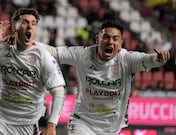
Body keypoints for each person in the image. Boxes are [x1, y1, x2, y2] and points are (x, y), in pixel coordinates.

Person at [35, 20, 170, 135]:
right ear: (98, 39)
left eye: (115, 38)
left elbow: (147, 60)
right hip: (82, 122)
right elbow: (54, 52)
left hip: (112, 128)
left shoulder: (127, 60)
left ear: (121, 43)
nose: (110, 41)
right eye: (106, 37)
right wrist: (25, 43)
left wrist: (158, 59)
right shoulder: (83, 55)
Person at [0, 8, 66, 135]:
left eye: (33, 24)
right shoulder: (1, 49)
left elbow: (58, 91)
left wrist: (52, 125)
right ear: (15, 27)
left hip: (27, 124)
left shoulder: (43, 56)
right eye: (25, 22)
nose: (29, 27)